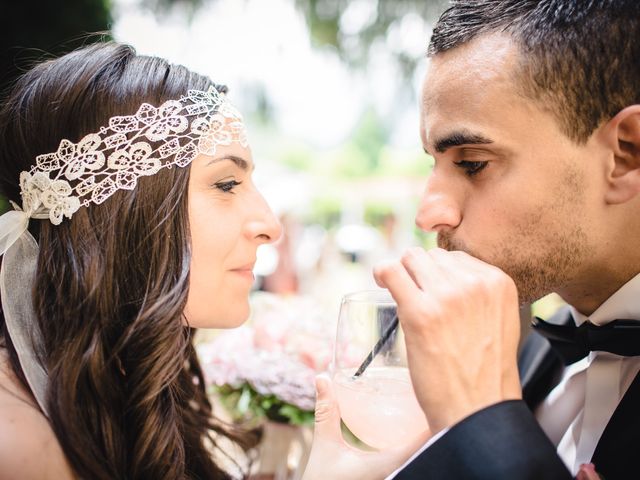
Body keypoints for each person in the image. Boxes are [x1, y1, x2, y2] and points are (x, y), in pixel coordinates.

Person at [309, 1, 640, 479]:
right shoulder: (536, 355)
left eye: (472, 163)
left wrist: (481, 419)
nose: (429, 212)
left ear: (626, 153)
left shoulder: (493, 380)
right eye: (434, 163)